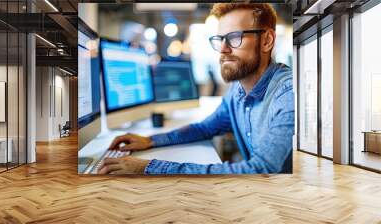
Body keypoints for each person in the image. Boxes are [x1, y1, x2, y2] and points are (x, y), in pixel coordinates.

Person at [98, 3, 294, 175]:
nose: (223, 49)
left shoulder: (287, 93)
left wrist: (149, 167)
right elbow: (205, 128)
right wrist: (151, 141)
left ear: (267, 40)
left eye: (235, 37)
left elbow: (262, 170)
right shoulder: (238, 90)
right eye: (220, 39)